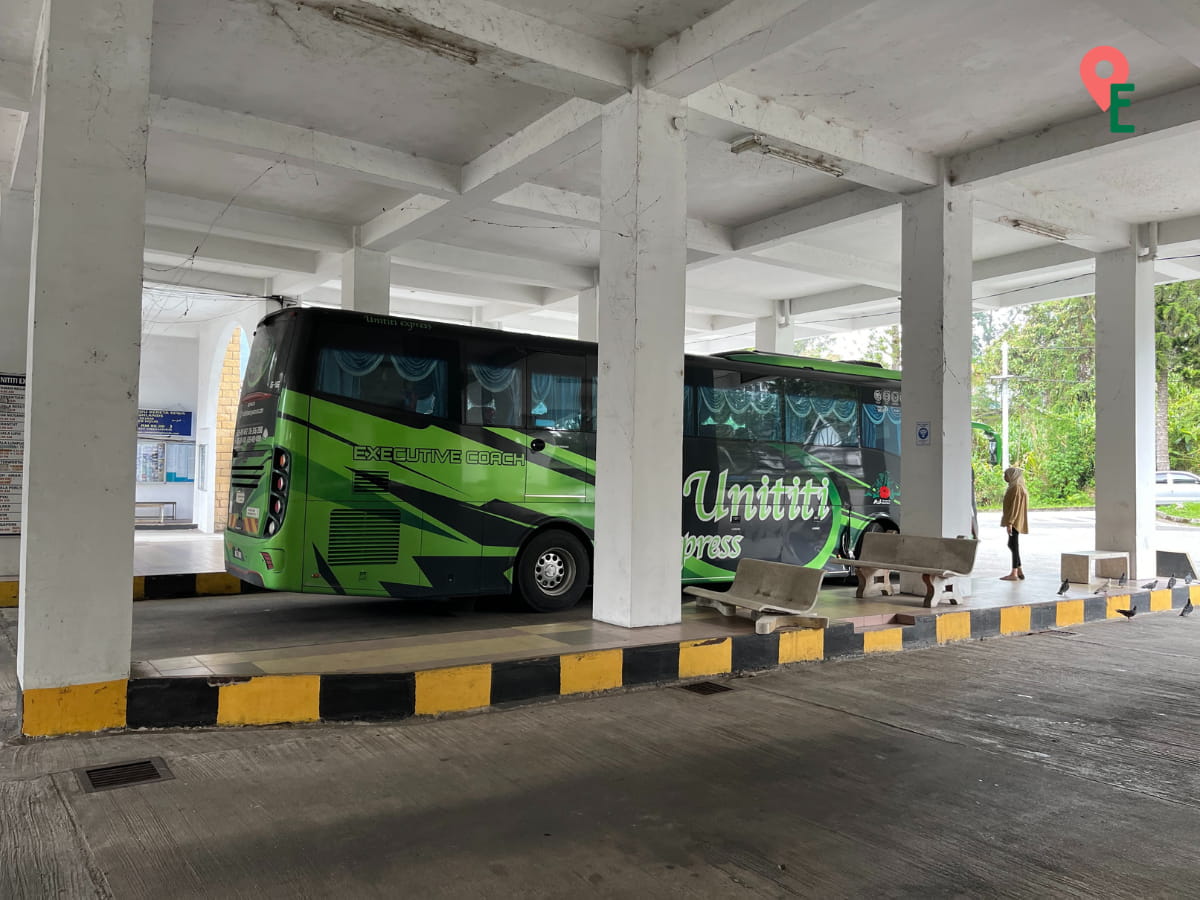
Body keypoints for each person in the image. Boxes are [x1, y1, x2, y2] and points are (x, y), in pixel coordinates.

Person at [1000, 466, 1029, 581]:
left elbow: (1015, 507)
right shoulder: (1017, 486)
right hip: (1016, 520)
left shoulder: (1016, 488)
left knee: (1014, 545)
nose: (1005, 477)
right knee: (1012, 544)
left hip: (1015, 521)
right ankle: (1019, 569)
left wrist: (1010, 522)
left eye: (1006, 475)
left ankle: (1014, 573)